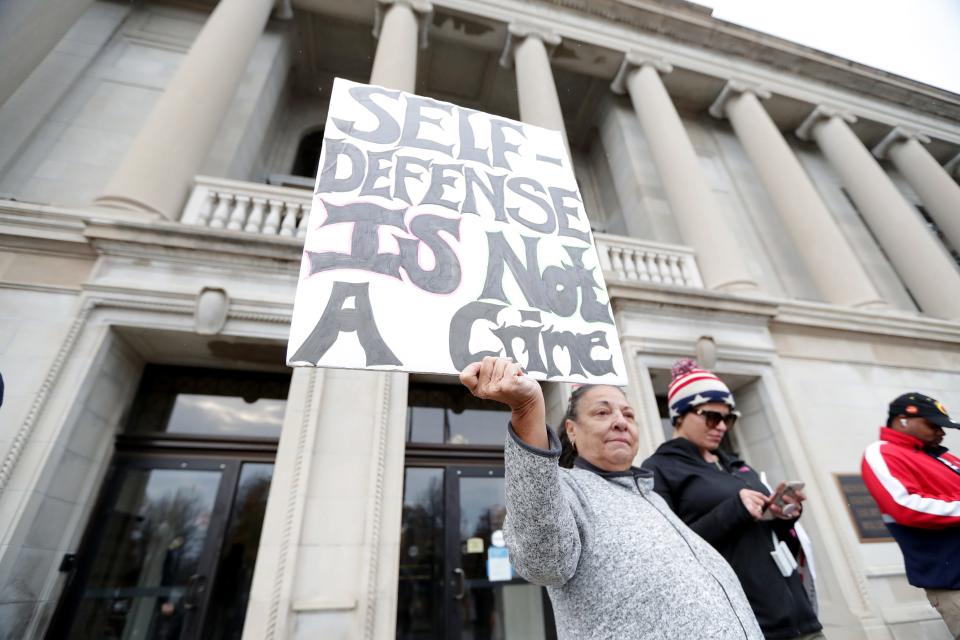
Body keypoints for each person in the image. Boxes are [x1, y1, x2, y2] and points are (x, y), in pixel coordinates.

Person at [459, 356, 763, 639]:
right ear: (572, 431)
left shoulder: (653, 498)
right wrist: (528, 412)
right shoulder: (565, 489)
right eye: (603, 412)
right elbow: (542, 562)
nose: (620, 421)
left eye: (628, 414)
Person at [641, 359, 823, 640]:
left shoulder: (737, 465)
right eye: (712, 417)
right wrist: (734, 509)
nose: (723, 426)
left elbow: (763, 536)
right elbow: (668, 552)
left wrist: (783, 514)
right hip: (743, 624)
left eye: (729, 418)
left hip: (799, 617)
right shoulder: (659, 469)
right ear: (679, 415)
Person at [861, 392, 960, 638]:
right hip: (954, 582)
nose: (942, 432)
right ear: (903, 420)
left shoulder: (944, 457)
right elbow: (904, 506)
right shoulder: (882, 452)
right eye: (933, 424)